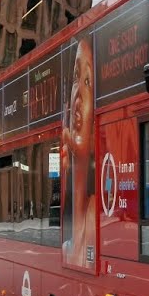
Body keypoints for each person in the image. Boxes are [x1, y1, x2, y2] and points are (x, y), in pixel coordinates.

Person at [61, 36, 96, 268]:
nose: (79, 94)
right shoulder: (66, 244)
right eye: (76, 78)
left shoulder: (96, 221)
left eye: (88, 81)